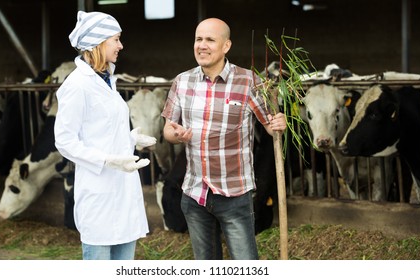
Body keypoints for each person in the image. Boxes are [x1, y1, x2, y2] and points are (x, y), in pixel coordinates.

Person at [161, 18, 287, 260]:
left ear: (226, 46)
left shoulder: (249, 81)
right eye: (198, 39)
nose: (202, 45)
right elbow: (168, 129)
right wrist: (175, 135)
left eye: (210, 40)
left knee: (245, 263)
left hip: (235, 195)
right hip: (195, 193)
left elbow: (271, 127)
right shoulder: (182, 81)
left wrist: (279, 123)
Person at [54, 11, 156, 260]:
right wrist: (107, 160)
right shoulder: (78, 84)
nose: (121, 45)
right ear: (98, 43)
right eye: (116, 39)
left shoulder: (108, 79)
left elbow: (100, 129)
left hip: (123, 192)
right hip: (98, 192)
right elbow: (65, 140)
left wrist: (131, 139)